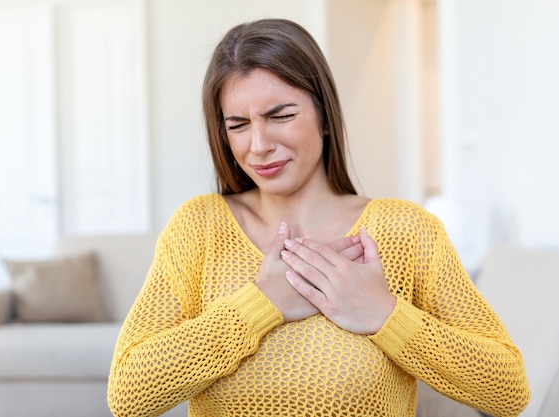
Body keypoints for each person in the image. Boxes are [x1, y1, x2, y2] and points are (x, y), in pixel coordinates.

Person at [107, 18, 530, 417]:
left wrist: (383, 315)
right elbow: (127, 394)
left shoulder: (406, 231)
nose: (258, 145)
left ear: (324, 117)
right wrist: (261, 304)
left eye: (281, 116)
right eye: (238, 124)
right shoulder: (199, 227)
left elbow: (508, 390)